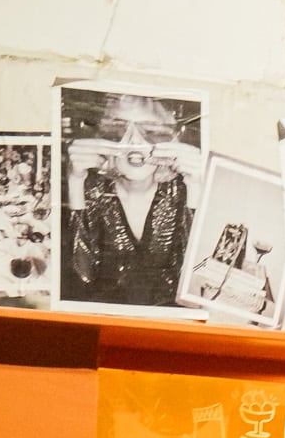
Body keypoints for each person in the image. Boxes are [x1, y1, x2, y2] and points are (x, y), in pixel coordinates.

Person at [65, 100, 192, 308]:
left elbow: (192, 289)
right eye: (118, 129)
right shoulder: (94, 191)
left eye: (150, 130)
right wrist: (75, 181)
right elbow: (81, 281)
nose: (134, 141)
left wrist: (197, 189)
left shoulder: (181, 191)